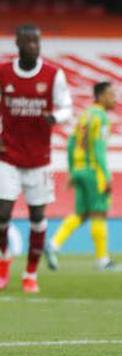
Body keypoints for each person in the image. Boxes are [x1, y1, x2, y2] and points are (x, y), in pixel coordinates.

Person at [0, 25, 72, 293]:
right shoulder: (4, 72)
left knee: (37, 216)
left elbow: (67, 107)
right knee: (2, 212)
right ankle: (4, 259)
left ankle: (30, 273)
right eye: (29, 42)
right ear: (17, 44)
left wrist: (56, 117)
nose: (34, 46)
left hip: (39, 158)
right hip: (7, 155)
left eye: (37, 42)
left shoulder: (53, 75)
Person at [46, 81, 122, 272]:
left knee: (81, 213)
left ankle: (53, 244)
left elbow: (71, 143)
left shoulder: (85, 116)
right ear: (101, 96)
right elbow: (98, 148)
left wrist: (72, 171)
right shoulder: (102, 118)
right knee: (99, 213)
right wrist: (105, 175)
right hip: (93, 171)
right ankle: (102, 260)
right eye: (111, 95)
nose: (114, 99)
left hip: (79, 170)